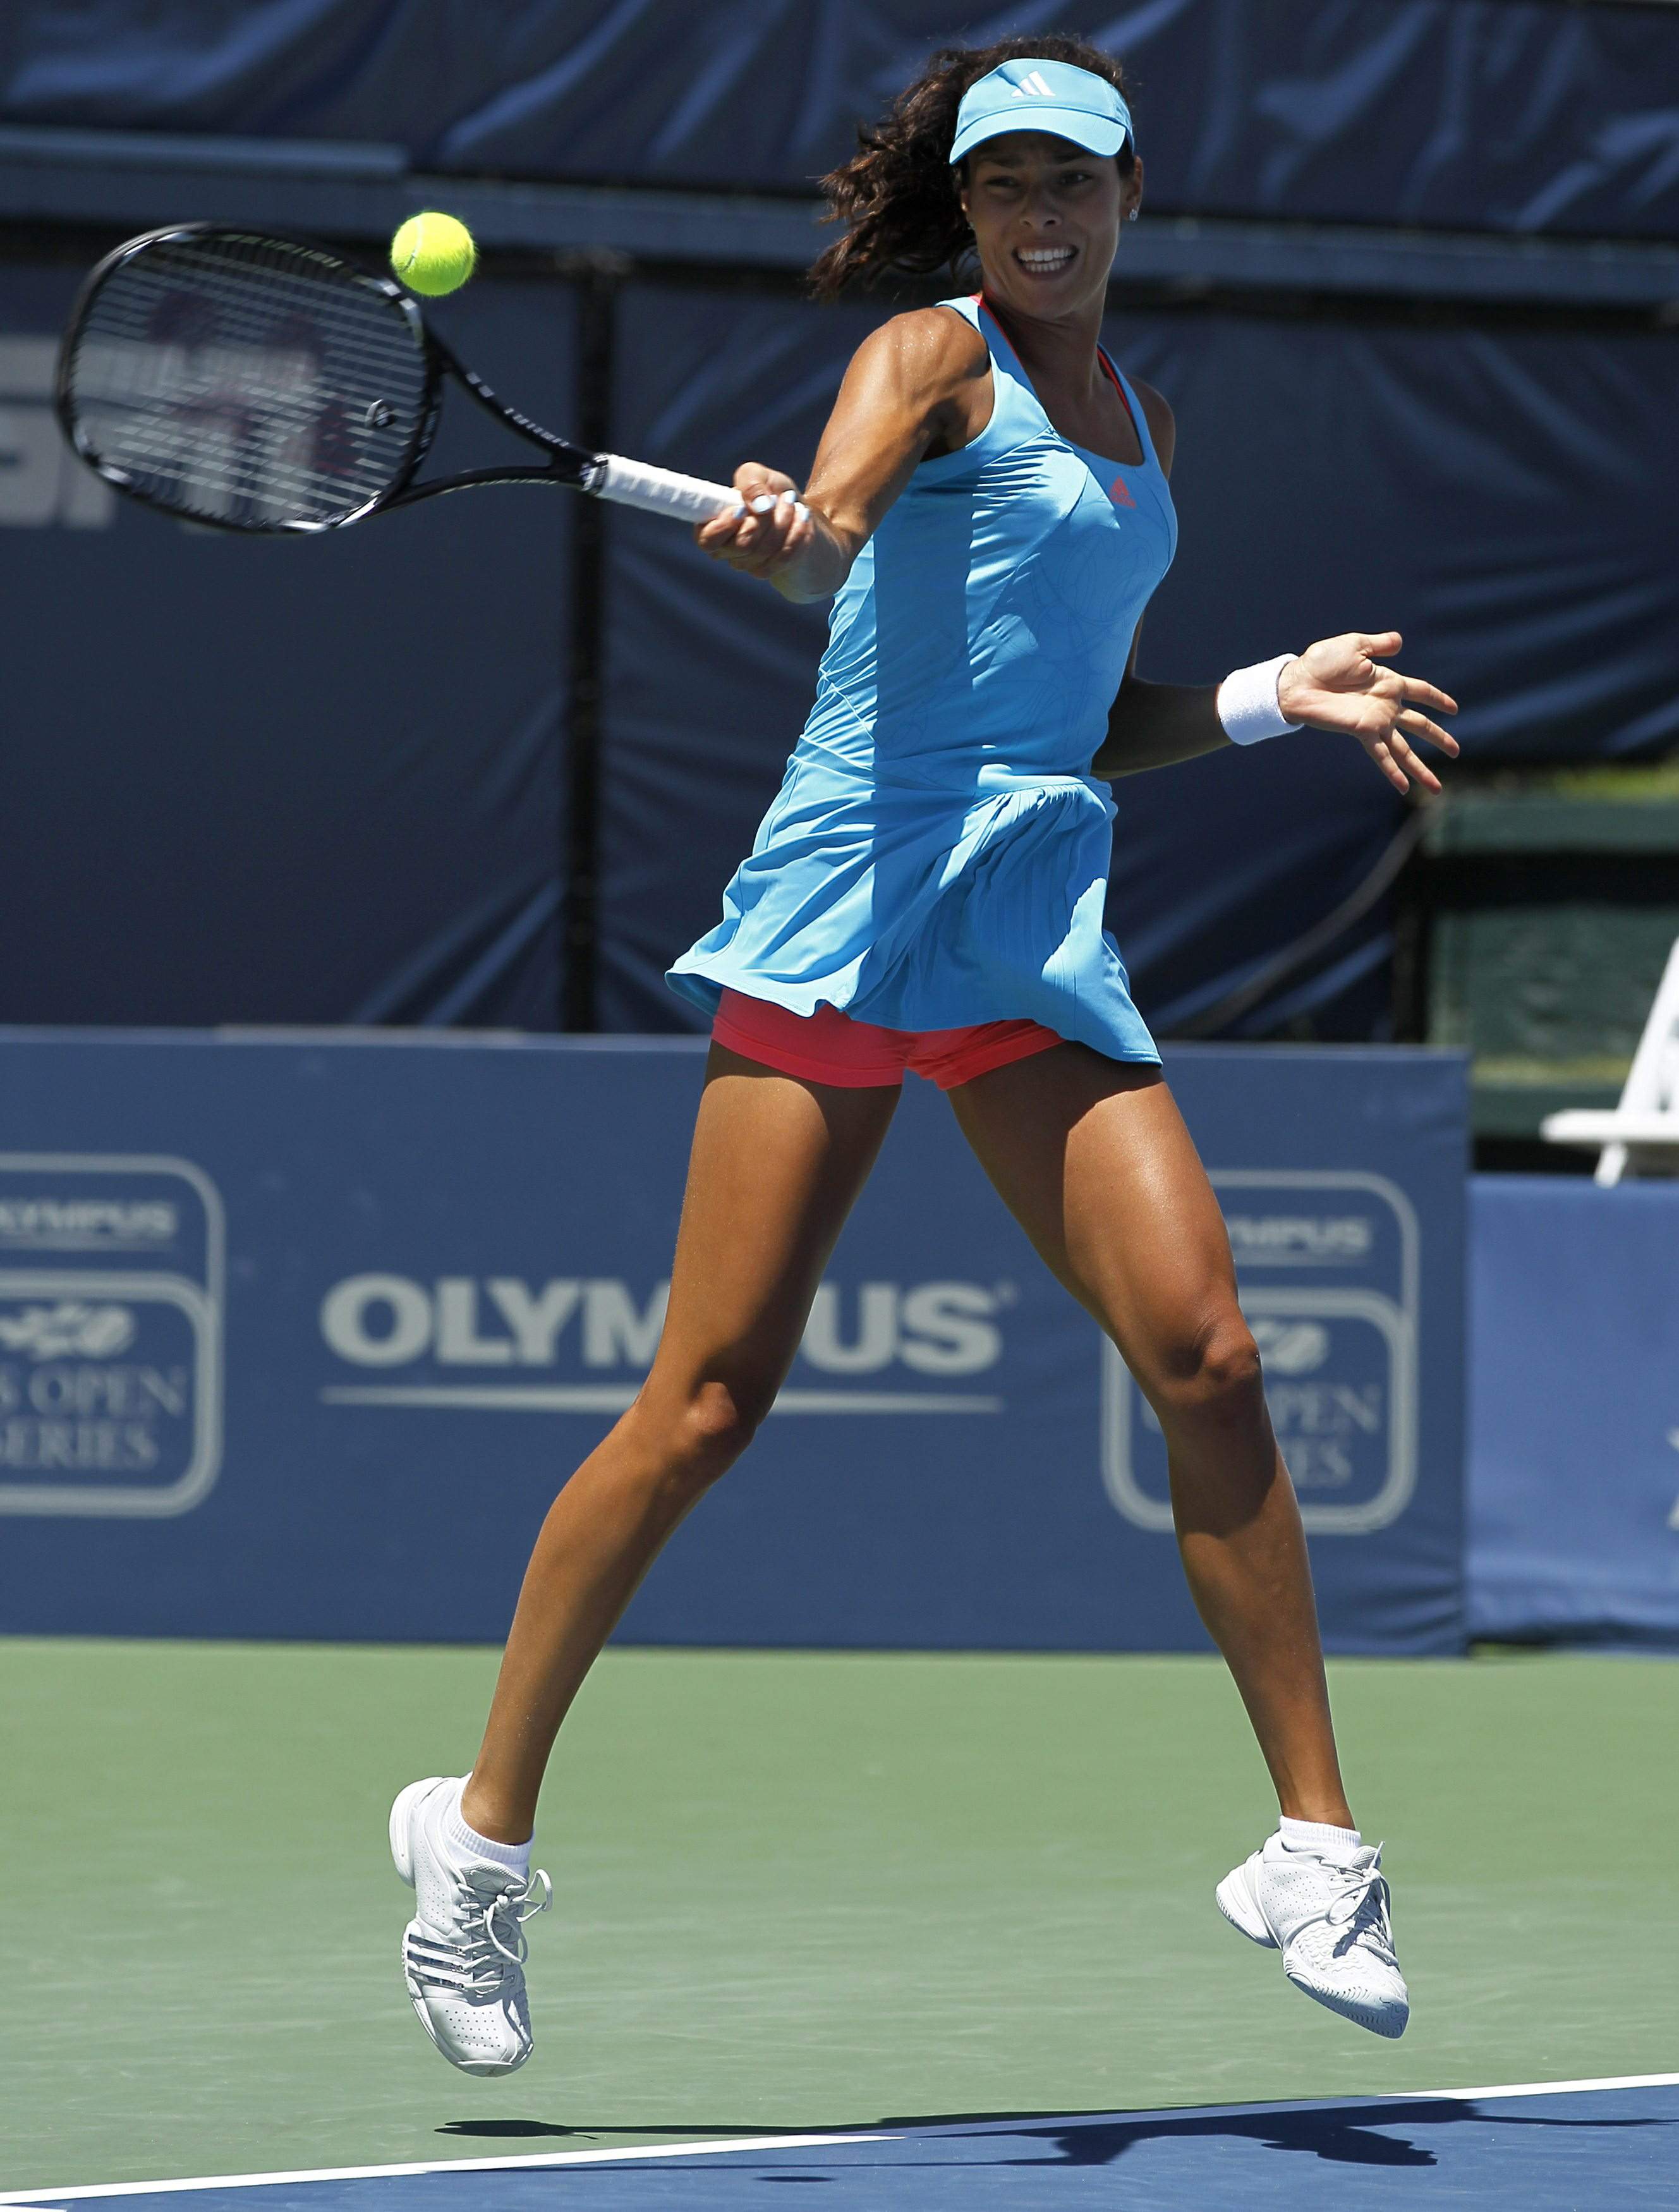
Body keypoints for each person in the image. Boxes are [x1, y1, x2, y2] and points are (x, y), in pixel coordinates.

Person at [390, 35, 1458, 2075]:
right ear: (964, 215)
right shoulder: (925, 354)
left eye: (1069, 185)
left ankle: (1313, 1842)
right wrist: (805, 514)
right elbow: (836, 518)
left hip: (1023, 917)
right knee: (706, 1401)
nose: (1036, 220)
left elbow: (1073, 708)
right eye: (1000, 191)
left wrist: (1258, 695)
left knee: (1209, 1356)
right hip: (848, 900)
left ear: (1134, 193)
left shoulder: (1135, 417)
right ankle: (477, 1836)